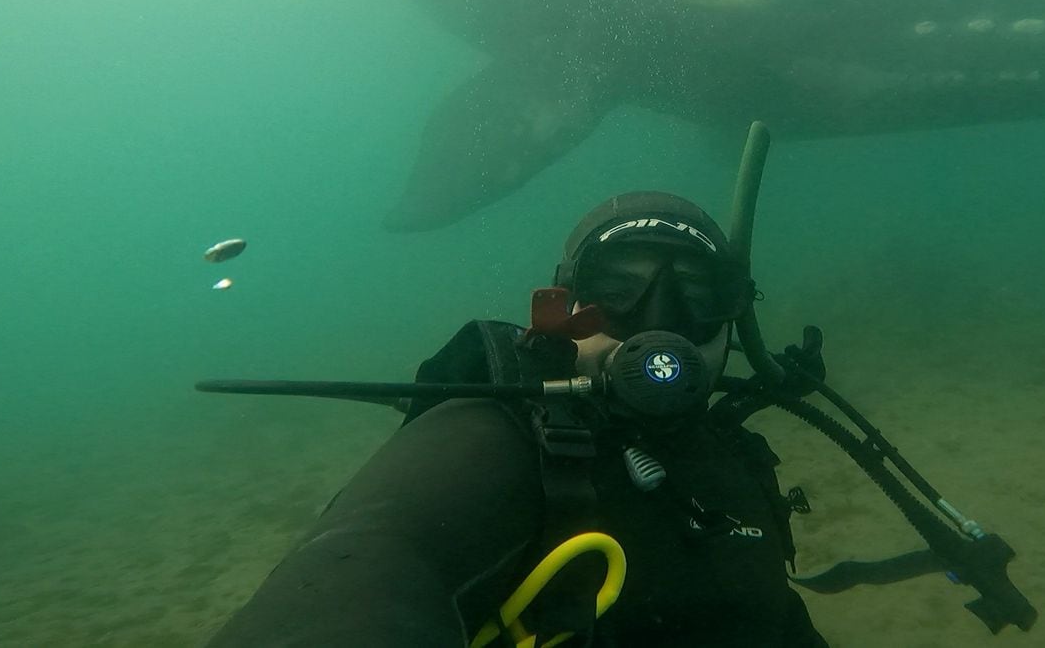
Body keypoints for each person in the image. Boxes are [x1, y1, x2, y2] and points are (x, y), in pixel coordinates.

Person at [206, 192, 830, 647]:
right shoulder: (487, 440)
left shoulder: (731, 460)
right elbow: (357, 577)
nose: (658, 322)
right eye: (618, 289)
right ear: (563, 306)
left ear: (735, 321)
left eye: (699, 295)